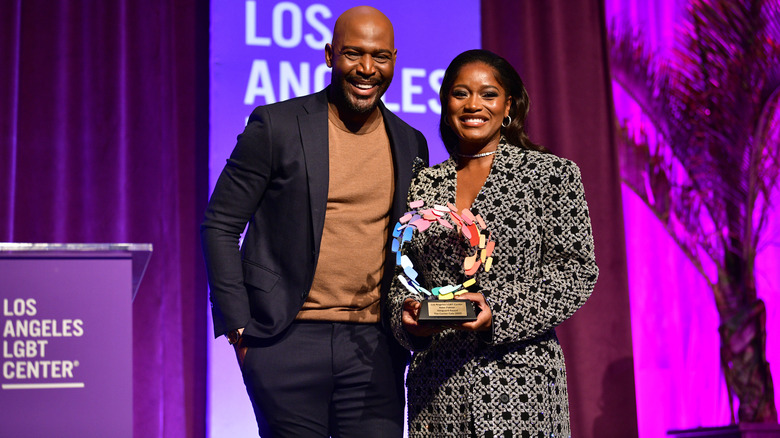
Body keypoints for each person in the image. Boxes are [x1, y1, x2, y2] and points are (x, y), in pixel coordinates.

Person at [201, 6, 428, 437]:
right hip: (285, 341)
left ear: (394, 60)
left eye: (380, 56)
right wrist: (238, 328)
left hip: (373, 349)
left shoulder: (409, 141)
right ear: (329, 56)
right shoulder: (276, 125)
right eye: (352, 54)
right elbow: (220, 224)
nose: (366, 68)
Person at [388, 49, 598, 437]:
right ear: (445, 104)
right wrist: (407, 318)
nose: (473, 105)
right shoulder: (422, 183)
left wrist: (497, 310)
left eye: (488, 94)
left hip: (522, 386)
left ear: (509, 106)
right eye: (460, 93)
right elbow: (400, 276)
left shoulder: (551, 175)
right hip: (438, 387)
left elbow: (576, 272)